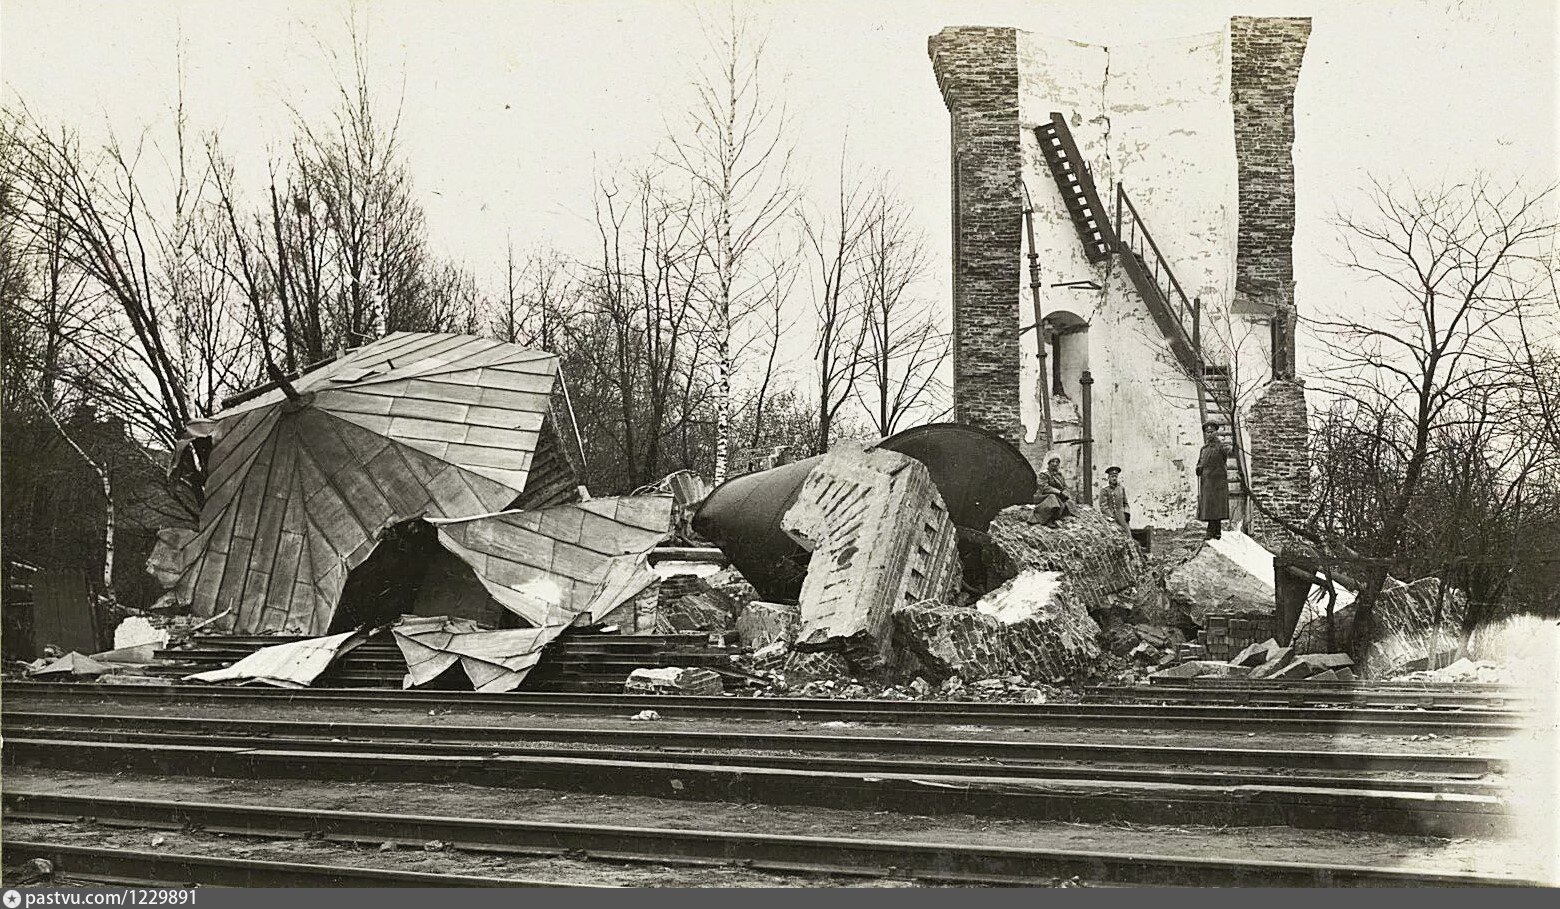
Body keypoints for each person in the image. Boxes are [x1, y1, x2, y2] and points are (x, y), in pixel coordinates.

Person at [1196, 420, 1231, 539]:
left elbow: (1229, 452)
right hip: (1207, 482)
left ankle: (1214, 531)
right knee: (1208, 507)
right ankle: (1214, 530)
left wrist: (1235, 446)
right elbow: (1200, 462)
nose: (1209, 434)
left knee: (1216, 507)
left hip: (1218, 482)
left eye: (1212, 432)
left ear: (1216, 432)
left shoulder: (1221, 447)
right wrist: (1198, 468)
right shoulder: (1203, 449)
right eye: (1207, 432)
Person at [1029, 456, 1074, 525]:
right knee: (1052, 498)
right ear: (1049, 463)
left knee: (1068, 502)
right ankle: (1047, 519)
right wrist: (1058, 492)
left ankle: (1058, 515)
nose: (1055, 464)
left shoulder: (1059, 475)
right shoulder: (1043, 474)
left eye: (1057, 462)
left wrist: (1065, 493)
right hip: (1042, 496)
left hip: (1056, 495)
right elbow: (1044, 487)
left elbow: (1064, 486)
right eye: (1053, 461)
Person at [1098, 465, 1130, 531]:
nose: (1114, 478)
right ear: (1109, 477)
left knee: (1127, 532)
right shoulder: (1104, 490)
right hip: (1109, 517)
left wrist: (1127, 513)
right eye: (1112, 476)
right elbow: (1103, 507)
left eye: (1116, 476)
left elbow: (1125, 503)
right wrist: (1111, 516)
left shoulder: (1121, 488)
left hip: (1121, 516)